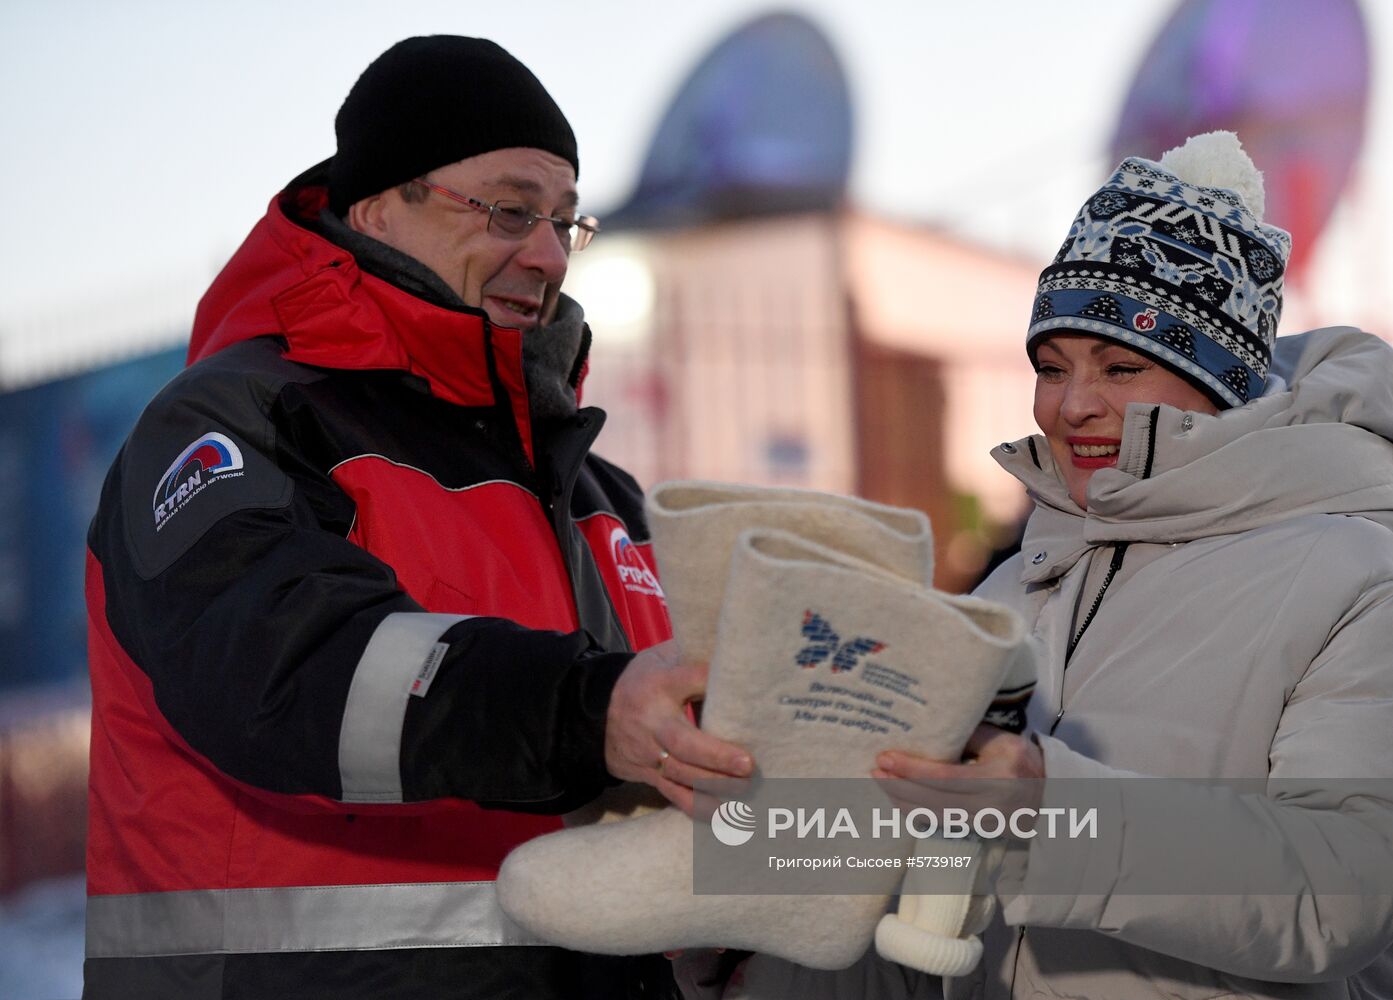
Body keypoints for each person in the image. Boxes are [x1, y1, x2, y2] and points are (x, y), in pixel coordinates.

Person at [83, 35, 750, 1000]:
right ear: (376, 207)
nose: (549, 254)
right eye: (512, 210)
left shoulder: (603, 497)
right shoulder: (241, 423)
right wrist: (588, 710)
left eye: (568, 221)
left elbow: (704, 765)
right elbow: (280, 664)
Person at [869, 132, 1393, 997]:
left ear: (1222, 382)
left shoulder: (1356, 576)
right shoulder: (1015, 582)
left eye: (1120, 366)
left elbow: (1342, 892)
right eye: (1050, 366)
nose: (1072, 405)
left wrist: (1052, 813)